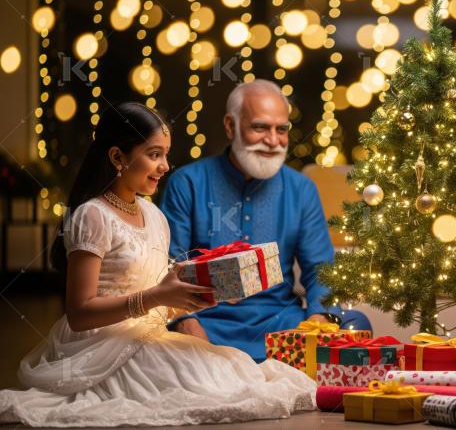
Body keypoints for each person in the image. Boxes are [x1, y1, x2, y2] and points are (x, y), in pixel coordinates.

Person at [0, 103, 316, 427]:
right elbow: (79, 314)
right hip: (100, 347)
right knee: (216, 389)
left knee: (237, 372)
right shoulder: (92, 216)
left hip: (152, 337)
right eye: (154, 154)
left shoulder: (153, 215)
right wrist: (156, 298)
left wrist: (205, 295)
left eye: (166, 155)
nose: (165, 166)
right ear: (117, 158)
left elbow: (162, 303)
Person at [160, 79, 371, 362]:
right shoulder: (187, 183)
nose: (273, 141)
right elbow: (168, 269)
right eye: (260, 127)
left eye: (281, 129)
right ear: (230, 126)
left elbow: (320, 269)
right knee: (156, 339)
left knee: (354, 324)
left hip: (281, 325)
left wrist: (319, 318)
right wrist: (184, 322)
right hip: (209, 323)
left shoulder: (301, 189)